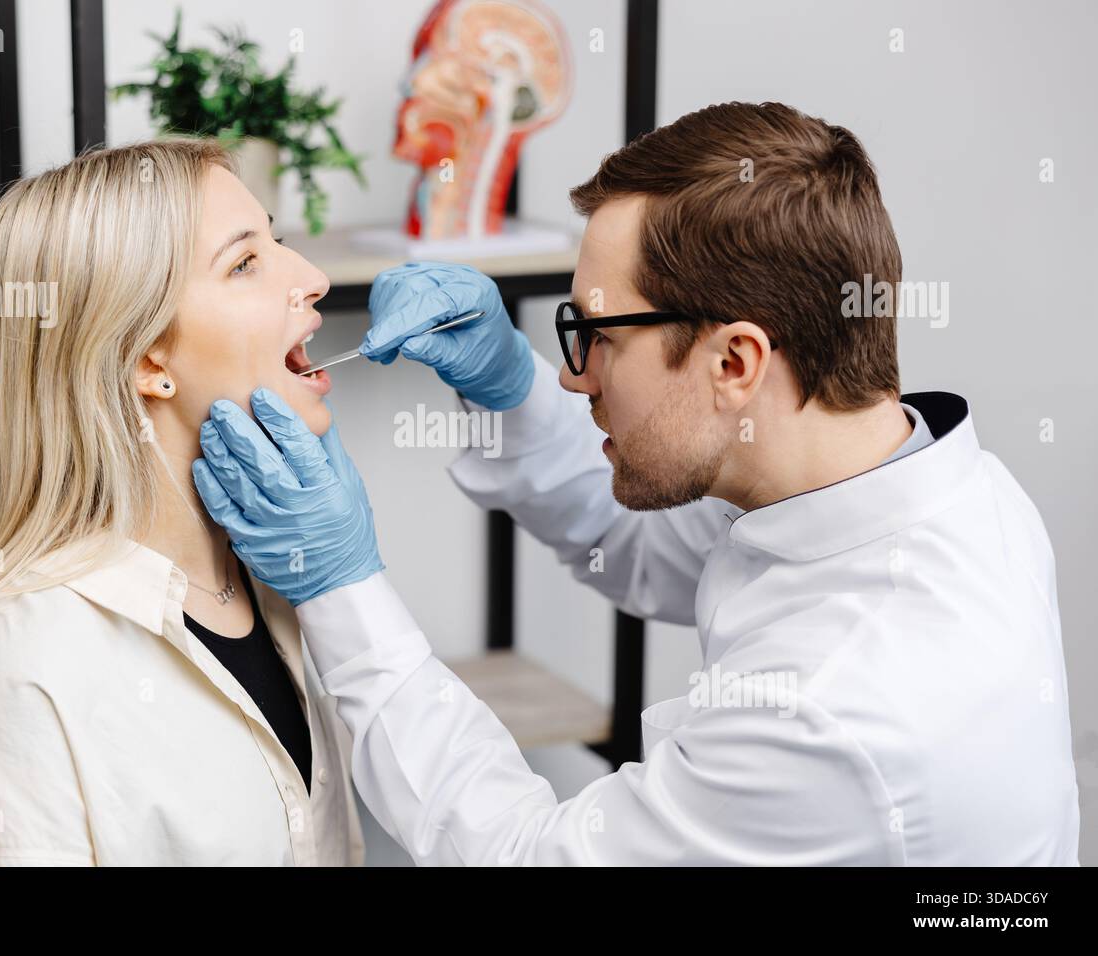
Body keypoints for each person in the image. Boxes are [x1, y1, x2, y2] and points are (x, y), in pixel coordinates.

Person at [194, 102, 1080, 865]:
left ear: (736, 360)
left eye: (597, 336)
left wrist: (342, 586)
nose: (574, 376)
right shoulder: (925, 490)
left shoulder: (835, 711)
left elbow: (521, 858)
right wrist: (508, 388)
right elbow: (650, 546)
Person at [0, 139, 364, 866]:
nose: (312, 278)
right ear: (148, 359)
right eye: (245, 262)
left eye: (277, 242)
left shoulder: (269, 575)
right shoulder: (4, 674)